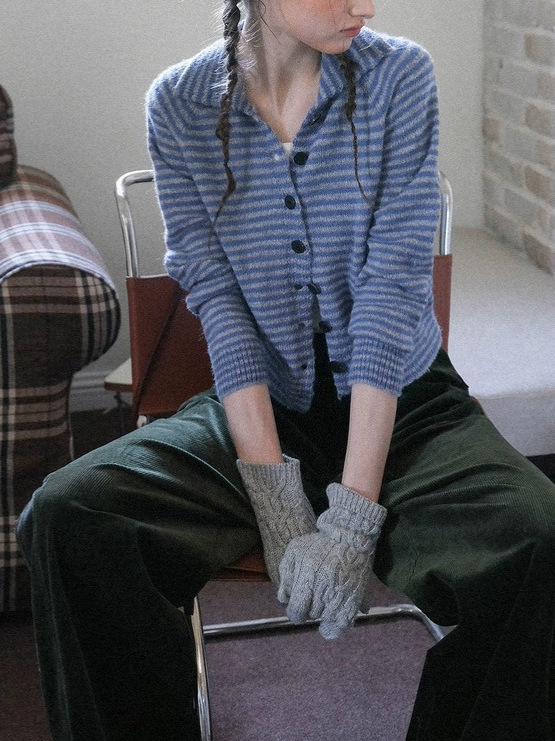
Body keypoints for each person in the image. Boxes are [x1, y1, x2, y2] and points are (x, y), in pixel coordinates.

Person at [16, 0, 555, 738]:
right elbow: (219, 300)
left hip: (405, 399)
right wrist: (277, 501)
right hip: (259, 406)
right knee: (69, 516)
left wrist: (352, 520)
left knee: (539, 537)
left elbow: (391, 292)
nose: (364, 5)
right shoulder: (179, 104)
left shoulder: (400, 76)